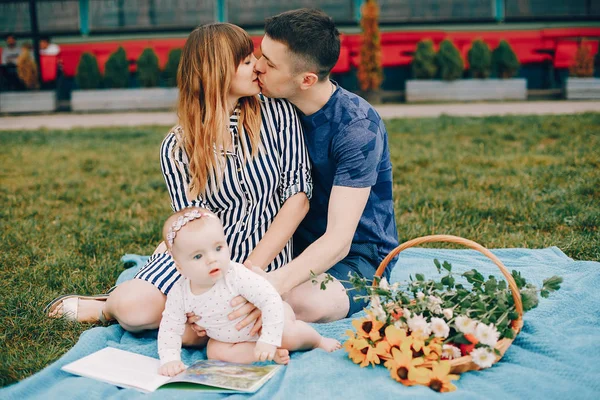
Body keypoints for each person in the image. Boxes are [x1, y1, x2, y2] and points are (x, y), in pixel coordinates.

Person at [46, 23, 312, 347]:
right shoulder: (176, 146)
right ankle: (108, 307)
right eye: (245, 61)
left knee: (222, 324)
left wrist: (249, 271)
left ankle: (180, 324)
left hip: (263, 253)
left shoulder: (279, 114)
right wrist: (197, 286)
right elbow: (190, 227)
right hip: (203, 257)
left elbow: (298, 197)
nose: (257, 65)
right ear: (216, 73)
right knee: (136, 310)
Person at [251, 9, 399, 323]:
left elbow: (339, 240)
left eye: (270, 63)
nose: (258, 67)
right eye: (259, 54)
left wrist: (273, 283)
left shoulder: (356, 127)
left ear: (306, 79)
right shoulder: (269, 107)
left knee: (304, 304)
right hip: (286, 240)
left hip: (357, 254)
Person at [158, 207, 340, 376]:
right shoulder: (180, 293)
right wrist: (170, 359)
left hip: (269, 320)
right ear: (180, 267)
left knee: (288, 336)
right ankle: (267, 355)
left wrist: (269, 338)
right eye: (198, 256)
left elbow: (269, 299)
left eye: (218, 248)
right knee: (214, 351)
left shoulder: (235, 275)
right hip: (230, 339)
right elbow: (170, 329)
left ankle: (317, 340)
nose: (212, 259)